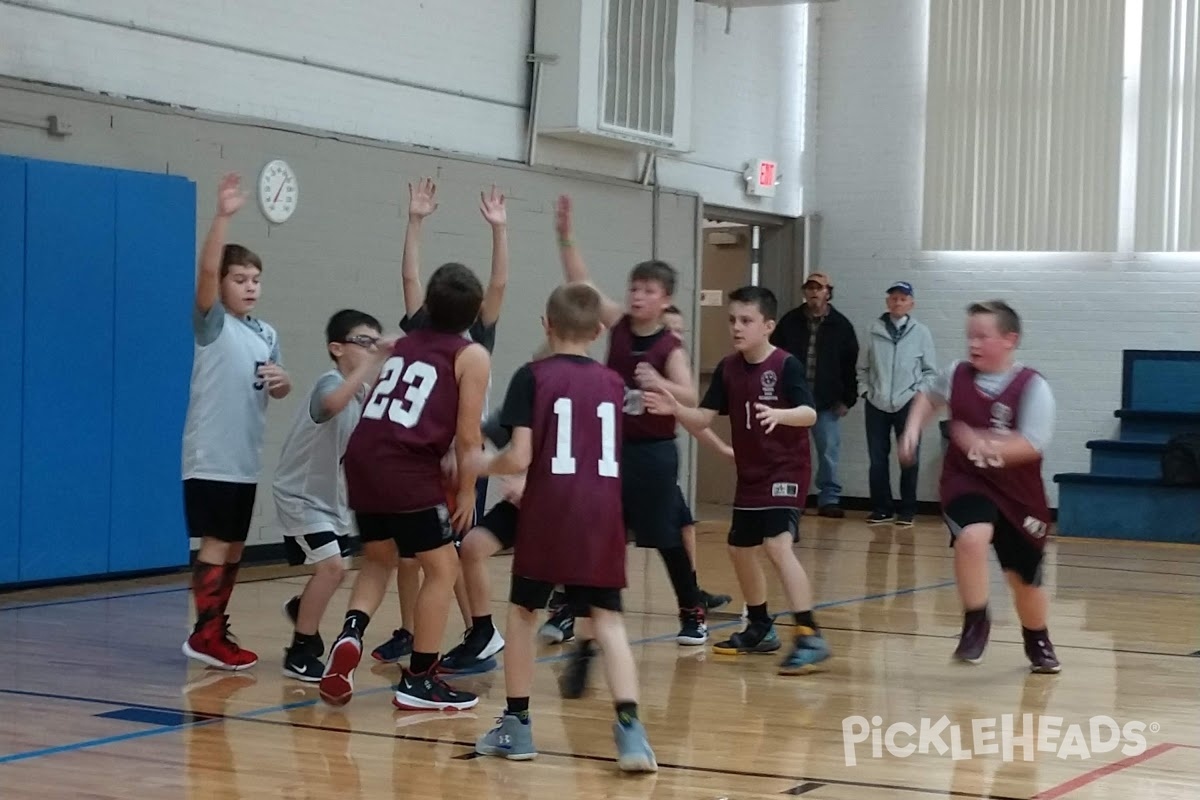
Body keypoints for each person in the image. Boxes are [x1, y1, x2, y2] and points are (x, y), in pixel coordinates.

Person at [471, 283, 657, 772]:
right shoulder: (615, 384)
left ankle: (517, 725)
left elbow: (519, 455)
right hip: (603, 513)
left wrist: (479, 465)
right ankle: (631, 731)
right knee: (610, 622)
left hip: (551, 510)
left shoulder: (532, 377)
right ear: (598, 332)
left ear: (546, 325)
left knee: (523, 614)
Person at [318, 262, 490, 710]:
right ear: (473, 316)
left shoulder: (400, 344)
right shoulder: (471, 355)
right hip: (406, 467)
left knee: (378, 560)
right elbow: (469, 435)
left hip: (362, 457)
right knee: (443, 568)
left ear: (428, 307)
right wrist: (468, 489)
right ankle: (421, 679)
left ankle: (350, 632)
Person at [646, 286, 832, 675]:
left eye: (746, 321)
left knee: (776, 545)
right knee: (738, 548)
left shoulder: (786, 365)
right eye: (732, 319)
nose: (736, 327)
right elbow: (703, 419)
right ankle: (762, 628)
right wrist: (675, 407)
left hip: (786, 471)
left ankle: (809, 634)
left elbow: (810, 414)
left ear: (767, 325)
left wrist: (782, 416)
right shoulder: (729, 368)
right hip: (751, 474)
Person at [551, 195, 708, 648]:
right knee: (599, 530)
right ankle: (578, 611)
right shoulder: (617, 322)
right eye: (634, 287)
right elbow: (579, 281)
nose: (638, 295)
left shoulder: (669, 347)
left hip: (654, 454)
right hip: (610, 448)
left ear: (665, 300)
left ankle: (692, 608)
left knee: (663, 536)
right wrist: (565, 234)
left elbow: (691, 395)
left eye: (649, 290)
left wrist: (661, 383)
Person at [371, 177, 509, 665]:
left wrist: (419, 221)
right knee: (439, 552)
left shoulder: (475, 341)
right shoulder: (426, 330)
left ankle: (482, 631)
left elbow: (496, 285)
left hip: (461, 456)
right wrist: (415, 221)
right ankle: (467, 632)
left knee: (454, 548)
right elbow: (413, 281)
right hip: (430, 456)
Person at [899, 300, 1060, 673]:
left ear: (1009, 339)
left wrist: (986, 442)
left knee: (1025, 581)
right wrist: (912, 429)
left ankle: (1037, 638)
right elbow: (928, 397)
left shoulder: (1032, 386)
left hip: (1019, 494)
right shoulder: (955, 373)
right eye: (969, 335)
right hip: (967, 481)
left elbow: (1032, 443)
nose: (972, 343)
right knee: (971, 536)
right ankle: (976, 620)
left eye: (982, 337)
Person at [181, 173, 291, 671]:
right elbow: (205, 271)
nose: (250, 287)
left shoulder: (266, 332)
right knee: (216, 543)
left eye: (256, 279)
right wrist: (223, 216)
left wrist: (282, 382)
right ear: (222, 285)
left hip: (245, 457)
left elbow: (279, 387)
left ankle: (213, 629)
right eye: (239, 279)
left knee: (236, 546)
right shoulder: (212, 323)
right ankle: (203, 634)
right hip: (211, 453)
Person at [274, 310, 393, 681]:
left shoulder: (360, 392)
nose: (372, 348)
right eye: (364, 342)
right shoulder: (329, 383)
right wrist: (373, 362)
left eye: (376, 342)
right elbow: (330, 405)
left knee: (335, 572)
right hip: (301, 496)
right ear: (336, 348)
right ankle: (300, 649)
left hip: (332, 500)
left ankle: (303, 607)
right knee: (333, 568)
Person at [770, 273, 859, 518]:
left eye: (818, 288)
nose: (813, 293)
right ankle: (791, 498)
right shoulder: (789, 322)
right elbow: (774, 357)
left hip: (827, 402)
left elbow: (849, 365)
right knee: (790, 452)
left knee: (829, 451)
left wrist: (847, 399)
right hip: (792, 400)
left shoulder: (842, 326)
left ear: (828, 292)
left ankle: (828, 499)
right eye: (809, 288)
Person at [662, 305, 733, 611]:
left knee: (684, 527)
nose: (676, 337)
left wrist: (722, 449)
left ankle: (691, 595)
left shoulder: (673, 373)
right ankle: (568, 605)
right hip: (628, 464)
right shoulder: (647, 370)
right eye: (670, 330)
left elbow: (693, 420)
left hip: (655, 468)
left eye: (680, 331)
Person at [858, 281, 938, 526]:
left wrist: (917, 395)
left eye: (903, 299)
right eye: (893, 298)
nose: (897, 302)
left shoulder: (921, 333)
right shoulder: (872, 330)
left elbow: (930, 371)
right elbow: (862, 368)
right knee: (877, 459)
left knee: (908, 457)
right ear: (887, 302)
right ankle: (882, 509)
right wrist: (866, 392)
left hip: (908, 404)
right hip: (877, 404)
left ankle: (907, 510)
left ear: (911, 303)